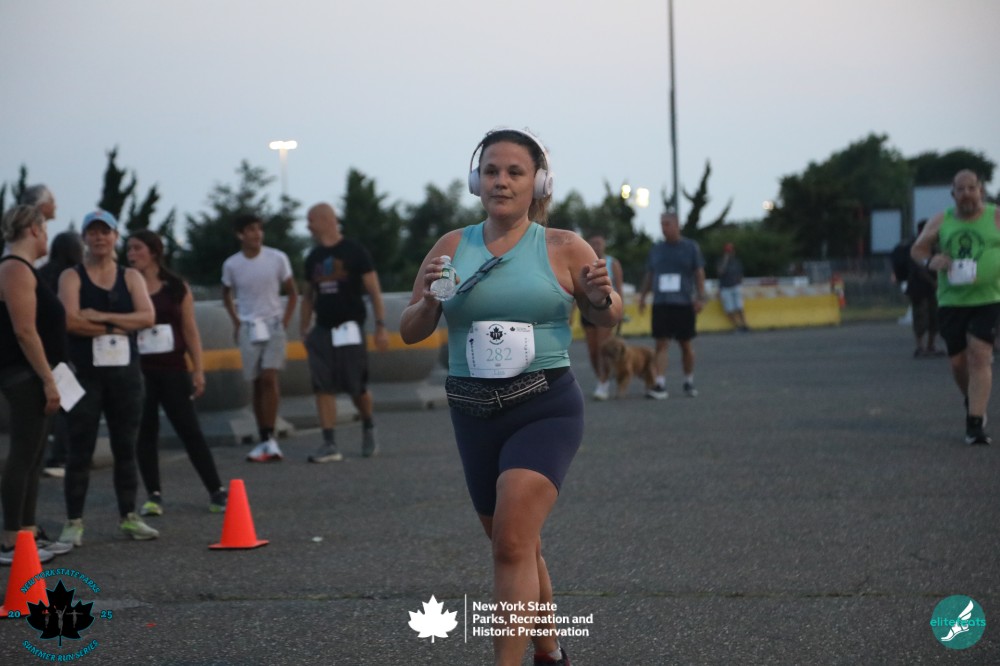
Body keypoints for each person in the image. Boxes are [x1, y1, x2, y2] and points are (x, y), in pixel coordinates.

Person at [400, 128, 621, 666]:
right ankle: (549, 649)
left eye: (515, 172)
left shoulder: (564, 247)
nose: (501, 181)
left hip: (544, 406)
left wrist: (600, 298)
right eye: (491, 171)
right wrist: (429, 303)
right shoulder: (452, 246)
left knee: (512, 544)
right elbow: (409, 329)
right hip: (473, 411)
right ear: (475, 181)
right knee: (518, 544)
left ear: (538, 183)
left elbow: (607, 315)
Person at [57, 210, 159, 546]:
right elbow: (70, 321)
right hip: (85, 375)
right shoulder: (71, 276)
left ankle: (129, 516)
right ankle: (74, 521)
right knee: (79, 449)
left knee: (126, 447)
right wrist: (120, 326)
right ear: (84, 237)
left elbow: (147, 317)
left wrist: (102, 318)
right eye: (93, 232)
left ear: (115, 236)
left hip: (125, 375)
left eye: (106, 231)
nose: (99, 237)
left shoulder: (130, 277)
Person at [126, 230, 227, 516]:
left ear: (154, 251)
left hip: (173, 369)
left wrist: (199, 369)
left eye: (137, 248)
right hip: (140, 371)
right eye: (129, 249)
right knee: (146, 433)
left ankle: (216, 490)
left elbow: (190, 329)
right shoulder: (127, 286)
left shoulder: (176, 287)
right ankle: (153, 495)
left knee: (189, 429)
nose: (131, 254)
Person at [0, 205, 72, 564]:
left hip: (34, 374)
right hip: (24, 375)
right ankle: (10, 539)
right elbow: (24, 331)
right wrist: (47, 379)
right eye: (44, 230)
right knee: (23, 455)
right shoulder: (14, 267)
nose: (47, 237)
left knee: (33, 456)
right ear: (32, 229)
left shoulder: (24, 268)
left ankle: (27, 533)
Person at [911, 169, 1000, 445]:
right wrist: (930, 261)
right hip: (952, 301)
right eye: (960, 190)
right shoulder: (942, 220)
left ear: (981, 190)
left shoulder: (995, 217)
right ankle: (971, 400)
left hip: (988, 298)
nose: (966, 194)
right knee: (957, 362)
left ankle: (975, 423)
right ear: (953, 194)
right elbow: (917, 250)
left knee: (980, 354)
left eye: (971, 188)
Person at [301, 203, 390, 462]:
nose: (308, 226)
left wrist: (380, 326)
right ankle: (329, 443)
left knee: (356, 386)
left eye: (311, 220)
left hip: (349, 328)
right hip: (322, 329)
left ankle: (368, 424)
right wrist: (304, 329)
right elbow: (308, 296)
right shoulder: (313, 257)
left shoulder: (354, 251)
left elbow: (373, 290)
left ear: (326, 219)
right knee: (322, 386)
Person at [221, 213, 298, 462]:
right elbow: (226, 292)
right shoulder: (232, 264)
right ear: (240, 234)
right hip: (249, 326)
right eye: (251, 229)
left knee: (269, 376)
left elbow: (292, 292)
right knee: (256, 381)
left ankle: (271, 435)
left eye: (259, 229)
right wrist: (236, 321)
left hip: (273, 324)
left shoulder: (277, 258)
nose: (257, 234)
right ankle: (263, 435)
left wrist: (284, 321)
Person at [638, 212, 707, 399]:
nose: (664, 227)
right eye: (662, 224)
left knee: (685, 344)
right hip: (661, 302)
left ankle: (688, 380)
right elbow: (650, 274)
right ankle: (660, 383)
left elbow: (699, 273)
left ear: (677, 225)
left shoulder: (691, 247)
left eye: (667, 223)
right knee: (661, 343)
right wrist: (643, 296)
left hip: (683, 302)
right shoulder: (656, 249)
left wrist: (701, 297)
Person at [37, 231, 84, 478]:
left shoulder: (40, 273)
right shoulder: (75, 276)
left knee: (46, 405)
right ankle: (61, 457)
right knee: (69, 404)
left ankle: (43, 456)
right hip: (69, 347)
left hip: (41, 347)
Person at [582, 232, 623, 401]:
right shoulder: (583, 264)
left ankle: (603, 382)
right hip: (586, 309)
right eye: (593, 243)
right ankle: (602, 377)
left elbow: (619, 289)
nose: (596, 246)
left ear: (604, 244)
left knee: (602, 348)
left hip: (605, 309)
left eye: (599, 243)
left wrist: (620, 312)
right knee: (592, 351)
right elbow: (578, 289)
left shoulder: (613, 264)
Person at [904, 220, 943, 358]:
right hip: (918, 288)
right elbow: (919, 269)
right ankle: (920, 346)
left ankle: (930, 345)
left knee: (935, 317)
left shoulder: (934, 245)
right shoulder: (916, 246)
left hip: (932, 288)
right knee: (920, 317)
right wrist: (934, 282)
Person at [717, 242, 749, 332]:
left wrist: (740, 282)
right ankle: (737, 326)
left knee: (739, 307)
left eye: (730, 251)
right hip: (725, 288)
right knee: (729, 309)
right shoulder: (720, 261)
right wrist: (725, 260)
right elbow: (720, 272)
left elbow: (740, 274)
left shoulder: (736, 262)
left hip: (736, 286)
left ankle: (744, 325)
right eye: (728, 252)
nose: (729, 253)